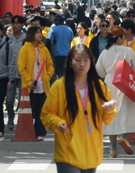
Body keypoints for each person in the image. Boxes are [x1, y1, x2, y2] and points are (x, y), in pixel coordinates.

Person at [41, 45, 117, 173]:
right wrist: (58, 123)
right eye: (77, 60)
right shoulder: (59, 86)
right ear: (70, 62)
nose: (82, 64)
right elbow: (46, 114)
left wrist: (109, 110)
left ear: (91, 62)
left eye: (86, 60)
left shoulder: (99, 87)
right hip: (68, 152)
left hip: (92, 151)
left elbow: (107, 119)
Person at [96, 26, 135, 158]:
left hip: (110, 83)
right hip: (125, 82)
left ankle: (113, 148)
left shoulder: (105, 52)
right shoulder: (128, 50)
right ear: (120, 38)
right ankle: (124, 138)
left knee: (111, 113)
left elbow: (99, 71)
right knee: (127, 111)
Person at [18, 26, 55, 140]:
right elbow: (21, 67)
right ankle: (30, 131)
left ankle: (40, 132)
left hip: (43, 85)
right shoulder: (25, 49)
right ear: (32, 34)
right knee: (31, 110)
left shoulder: (44, 49)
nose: (40, 34)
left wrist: (48, 75)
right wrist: (29, 82)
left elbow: (50, 65)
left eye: (40, 32)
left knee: (41, 110)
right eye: (38, 32)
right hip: (30, 86)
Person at [6, 16, 27, 130]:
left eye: (18, 23)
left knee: (23, 100)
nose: (15, 25)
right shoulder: (7, 38)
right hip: (10, 73)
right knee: (9, 99)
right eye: (13, 23)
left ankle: (23, 120)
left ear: (23, 25)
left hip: (23, 73)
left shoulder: (27, 38)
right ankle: (10, 117)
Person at [49, 14, 74, 79]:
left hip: (56, 55)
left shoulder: (53, 29)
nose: (54, 21)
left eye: (55, 20)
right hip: (67, 55)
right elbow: (72, 40)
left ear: (58, 20)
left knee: (55, 74)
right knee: (64, 75)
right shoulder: (69, 29)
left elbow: (49, 41)